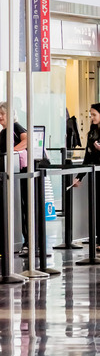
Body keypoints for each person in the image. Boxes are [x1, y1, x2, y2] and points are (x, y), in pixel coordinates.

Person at [72, 103, 100, 251]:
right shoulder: (92, 131)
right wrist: (80, 176)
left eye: (94, 114)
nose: (92, 117)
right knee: (96, 206)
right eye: (91, 114)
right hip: (94, 172)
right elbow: (87, 156)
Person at [0, 102, 30, 253]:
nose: (0, 117)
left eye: (2, 114)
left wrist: (12, 151)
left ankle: (28, 241)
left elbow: (27, 140)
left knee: (24, 205)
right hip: (10, 173)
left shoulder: (16, 127)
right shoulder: (4, 131)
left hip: (20, 172)